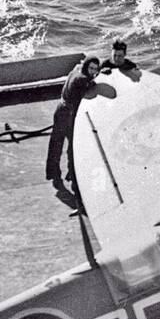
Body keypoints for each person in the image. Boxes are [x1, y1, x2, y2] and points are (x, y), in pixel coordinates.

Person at [45, 56, 101, 208]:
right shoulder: (83, 79)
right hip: (69, 113)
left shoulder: (76, 69)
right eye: (92, 69)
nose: (93, 72)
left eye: (96, 69)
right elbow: (90, 90)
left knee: (56, 142)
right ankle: (73, 179)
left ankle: (53, 172)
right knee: (73, 148)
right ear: (86, 67)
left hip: (60, 108)